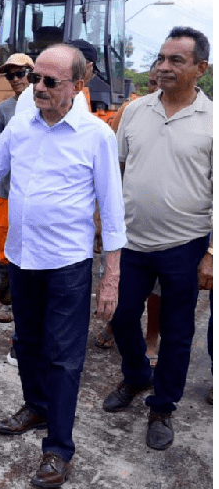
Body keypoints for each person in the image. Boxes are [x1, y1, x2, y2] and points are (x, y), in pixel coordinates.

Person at [0, 44, 126, 489]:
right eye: (34, 79)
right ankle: (36, 405)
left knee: (64, 358)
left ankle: (58, 449)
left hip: (67, 264)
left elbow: (113, 208)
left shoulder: (96, 136)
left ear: (78, 86)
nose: (36, 87)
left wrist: (112, 275)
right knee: (26, 342)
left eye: (49, 81)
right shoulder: (23, 122)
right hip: (23, 257)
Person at [102, 27, 212, 451]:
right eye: (161, 58)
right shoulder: (135, 111)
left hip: (185, 245)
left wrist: (211, 253)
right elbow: (116, 171)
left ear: (200, 69)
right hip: (131, 241)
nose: (163, 67)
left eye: (176, 60)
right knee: (122, 315)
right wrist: (105, 228)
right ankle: (135, 376)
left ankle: (163, 406)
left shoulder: (212, 120)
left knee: (178, 330)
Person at [94, 65, 161, 364]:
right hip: (129, 219)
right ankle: (114, 325)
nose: (156, 89)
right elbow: (110, 169)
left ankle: (151, 338)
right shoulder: (130, 112)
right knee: (120, 280)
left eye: (161, 83)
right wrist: (100, 216)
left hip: (168, 226)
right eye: (151, 83)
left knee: (158, 289)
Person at [0, 53, 35, 364]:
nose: (16, 79)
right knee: (5, 247)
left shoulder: (45, 104)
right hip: (6, 191)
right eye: (10, 75)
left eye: (21, 73)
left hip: (35, 194)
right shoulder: (3, 110)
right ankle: (8, 301)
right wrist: (6, 147)